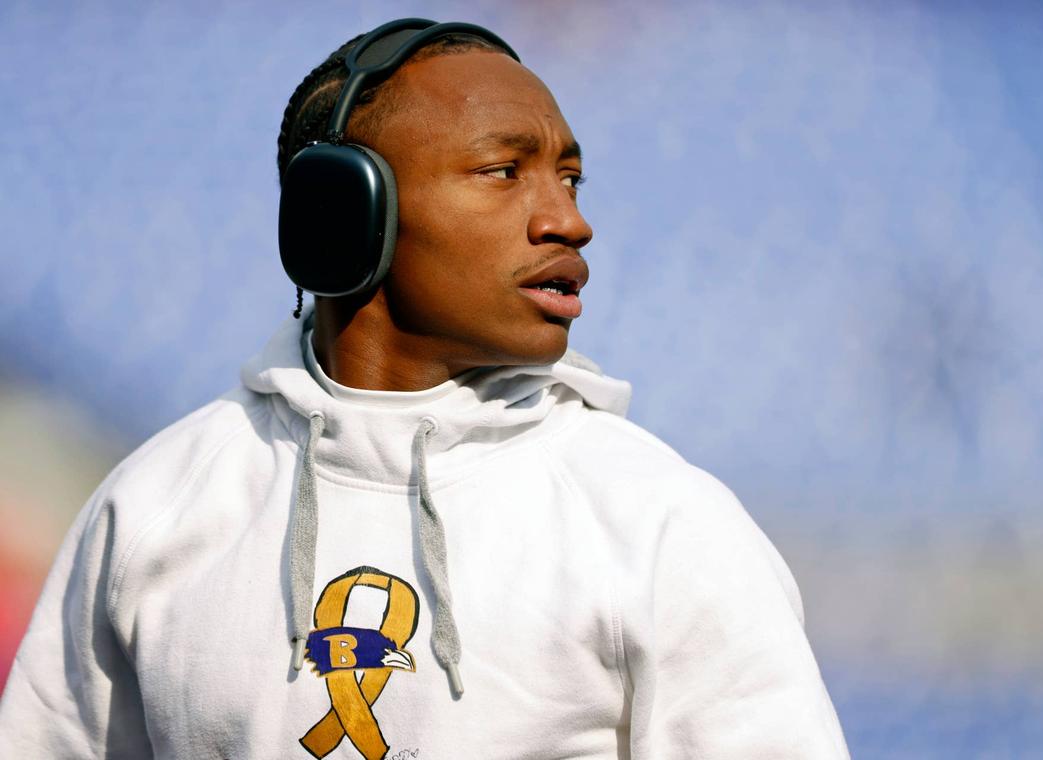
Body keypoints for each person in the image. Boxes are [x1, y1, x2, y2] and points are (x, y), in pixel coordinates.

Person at [0, 18, 848, 759]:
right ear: (345, 211)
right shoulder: (154, 509)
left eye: (570, 177)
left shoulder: (660, 524)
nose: (568, 219)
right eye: (503, 171)